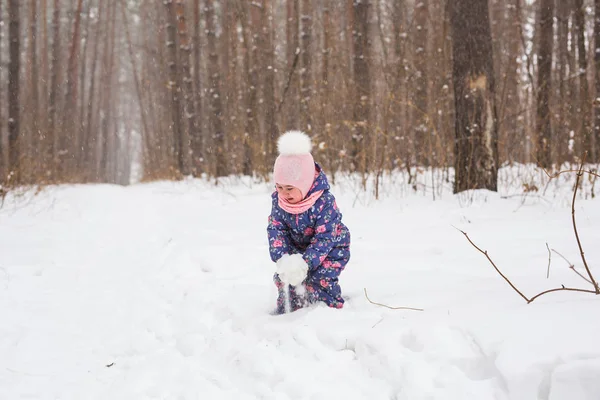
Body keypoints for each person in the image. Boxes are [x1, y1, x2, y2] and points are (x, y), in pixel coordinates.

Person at [267, 130, 351, 314]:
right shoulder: (279, 202)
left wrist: (306, 263)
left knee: (320, 278)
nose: (284, 193)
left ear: (304, 183)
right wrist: (283, 259)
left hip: (331, 249)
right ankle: (288, 312)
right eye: (279, 187)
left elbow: (325, 237)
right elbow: (276, 229)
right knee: (286, 279)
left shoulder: (323, 202)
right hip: (299, 248)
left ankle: (330, 311)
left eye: (290, 188)